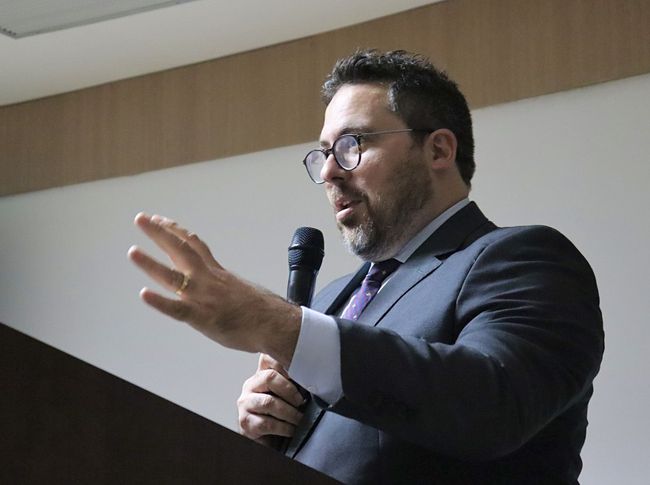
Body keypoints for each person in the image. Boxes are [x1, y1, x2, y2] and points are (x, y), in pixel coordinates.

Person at [129, 50, 604, 484]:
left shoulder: (523, 259)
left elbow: (493, 406)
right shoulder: (331, 300)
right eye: (324, 153)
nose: (329, 172)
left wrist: (277, 325)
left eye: (352, 144)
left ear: (439, 150)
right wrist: (267, 432)